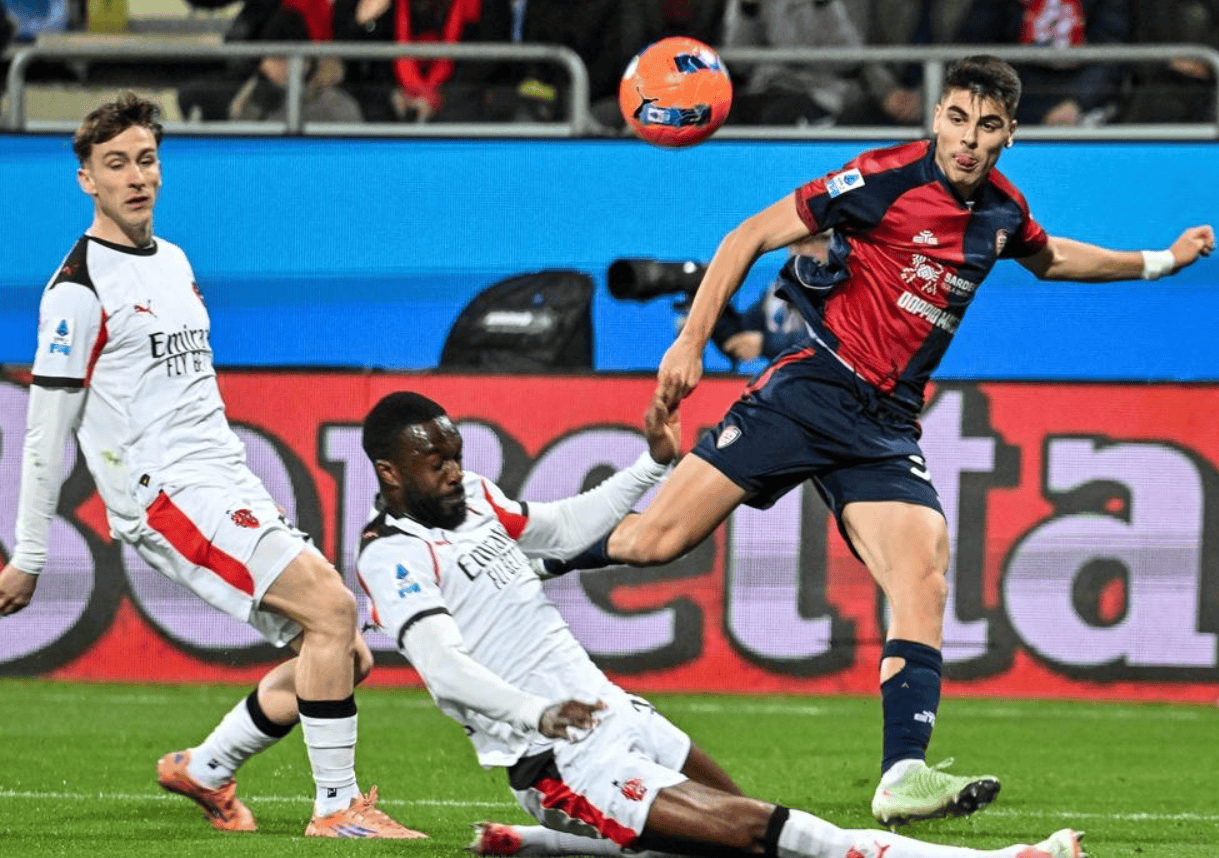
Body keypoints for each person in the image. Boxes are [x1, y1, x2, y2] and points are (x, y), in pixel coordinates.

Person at [545, 55, 1216, 827]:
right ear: (935, 117)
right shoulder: (880, 178)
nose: (967, 140)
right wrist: (690, 341)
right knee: (654, 543)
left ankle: (901, 774)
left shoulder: (1003, 212)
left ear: (1009, 134)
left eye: (986, 125)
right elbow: (747, 235)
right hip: (813, 389)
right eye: (956, 119)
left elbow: (1054, 258)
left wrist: (1160, 260)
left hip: (886, 425)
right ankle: (518, 554)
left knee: (922, 575)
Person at [354, 389, 1087, 858]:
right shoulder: (391, 556)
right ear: (390, 473)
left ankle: (537, 847)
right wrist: (534, 712)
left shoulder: (477, 499)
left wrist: (650, 467)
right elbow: (446, 672)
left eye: (456, 455)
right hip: (558, 760)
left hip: (612, 711)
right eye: (435, 462)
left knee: (739, 834)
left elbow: (562, 526)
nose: (454, 471)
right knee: (765, 833)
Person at [0, 94, 419, 839]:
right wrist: (29, 554)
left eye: (146, 160)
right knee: (332, 609)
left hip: (224, 478)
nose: (136, 177)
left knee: (342, 653)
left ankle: (206, 767)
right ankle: (337, 809)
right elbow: (44, 433)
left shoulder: (174, 260)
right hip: (165, 494)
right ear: (86, 179)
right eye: (116, 164)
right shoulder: (77, 293)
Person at [957, 0, 1131, 126]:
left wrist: (1079, 102)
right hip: (1017, 94)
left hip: (1084, 98)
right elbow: (974, 44)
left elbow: (1112, 53)